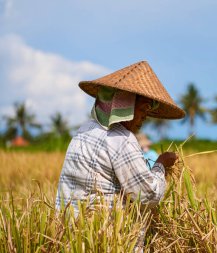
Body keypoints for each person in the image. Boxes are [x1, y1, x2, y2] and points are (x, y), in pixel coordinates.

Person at [55, 60, 185, 213]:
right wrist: (160, 164)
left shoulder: (84, 129)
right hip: (104, 233)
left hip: (69, 230)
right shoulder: (122, 139)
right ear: (125, 106)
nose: (145, 116)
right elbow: (147, 196)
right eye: (143, 109)